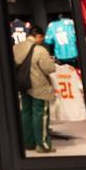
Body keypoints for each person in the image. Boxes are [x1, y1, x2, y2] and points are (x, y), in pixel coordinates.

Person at [13, 25, 57, 153]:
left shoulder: (16, 47)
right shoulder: (40, 50)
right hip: (39, 86)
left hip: (23, 85)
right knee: (40, 114)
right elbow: (49, 68)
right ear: (38, 36)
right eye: (42, 38)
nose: (42, 40)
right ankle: (42, 145)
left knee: (26, 112)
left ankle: (28, 142)